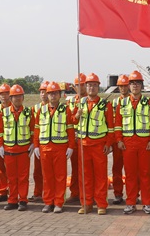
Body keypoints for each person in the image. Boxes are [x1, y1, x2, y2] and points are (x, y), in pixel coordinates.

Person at [116, 71, 150, 215]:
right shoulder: (122, 103)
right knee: (130, 174)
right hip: (128, 143)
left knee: (145, 174)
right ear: (129, 86)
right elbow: (118, 124)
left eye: (137, 83)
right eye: (132, 83)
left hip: (144, 143)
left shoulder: (149, 103)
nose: (135, 86)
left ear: (141, 85)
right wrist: (119, 140)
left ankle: (147, 203)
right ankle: (131, 202)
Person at [73, 73, 114, 215]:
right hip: (83, 145)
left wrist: (108, 143)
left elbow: (111, 127)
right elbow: (72, 121)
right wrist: (77, 115)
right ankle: (86, 203)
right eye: (89, 85)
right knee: (84, 177)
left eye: (95, 85)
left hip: (99, 146)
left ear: (98, 87)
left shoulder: (105, 104)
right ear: (85, 86)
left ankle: (101, 204)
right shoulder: (80, 103)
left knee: (100, 177)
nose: (92, 88)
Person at [33, 81, 75, 213]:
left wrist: (71, 146)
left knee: (60, 177)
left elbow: (70, 130)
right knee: (47, 177)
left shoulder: (65, 110)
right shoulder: (41, 111)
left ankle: (58, 202)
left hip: (60, 148)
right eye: (50, 93)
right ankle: (48, 202)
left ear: (60, 95)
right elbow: (37, 129)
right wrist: (36, 146)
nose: (53, 96)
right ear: (47, 95)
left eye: (55, 93)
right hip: (45, 148)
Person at [0, 84, 35, 211]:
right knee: (11, 177)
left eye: (20, 96)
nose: (17, 99)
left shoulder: (28, 112)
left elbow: (33, 129)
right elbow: (0, 131)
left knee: (23, 177)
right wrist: (0, 146)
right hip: (9, 150)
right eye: (15, 96)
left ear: (23, 97)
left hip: (24, 150)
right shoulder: (4, 113)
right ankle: (12, 200)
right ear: (11, 98)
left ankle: (23, 200)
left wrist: (33, 143)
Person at [66, 73, 86, 203]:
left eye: (83, 84)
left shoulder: (93, 100)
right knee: (75, 168)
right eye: (78, 85)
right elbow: (69, 120)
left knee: (87, 169)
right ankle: (75, 193)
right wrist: (77, 116)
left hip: (89, 139)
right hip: (75, 138)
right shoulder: (71, 101)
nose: (80, 87)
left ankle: (88, 193)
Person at [109, 75, 129, 205]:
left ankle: (134, 194)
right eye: (121, 86)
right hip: (117, 139)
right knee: (116, 168)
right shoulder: (114, 103)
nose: (123, 88)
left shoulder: (134, 101)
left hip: (130, 139)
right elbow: (111, 122)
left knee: (131, 169)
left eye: (125, 85)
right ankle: (117, 194)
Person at [29, 80, 50, 203]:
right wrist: (34, 143)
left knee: (49, 172)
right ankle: (38, 193)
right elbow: (33, 127)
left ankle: (49, 193)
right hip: (40, 144)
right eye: (41, 92)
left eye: (45, 92)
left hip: (51, 144)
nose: (43, 94)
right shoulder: (35, 108)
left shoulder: (58, 108)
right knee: (37, 171)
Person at [0, 83, 11, 202]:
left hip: (12, 143)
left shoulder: (15, 107)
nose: (4, 96)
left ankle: (14, 191)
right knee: (0, 169)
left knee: (12, 170)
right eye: (2, 94)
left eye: (6, 93)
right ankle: (3, 191)